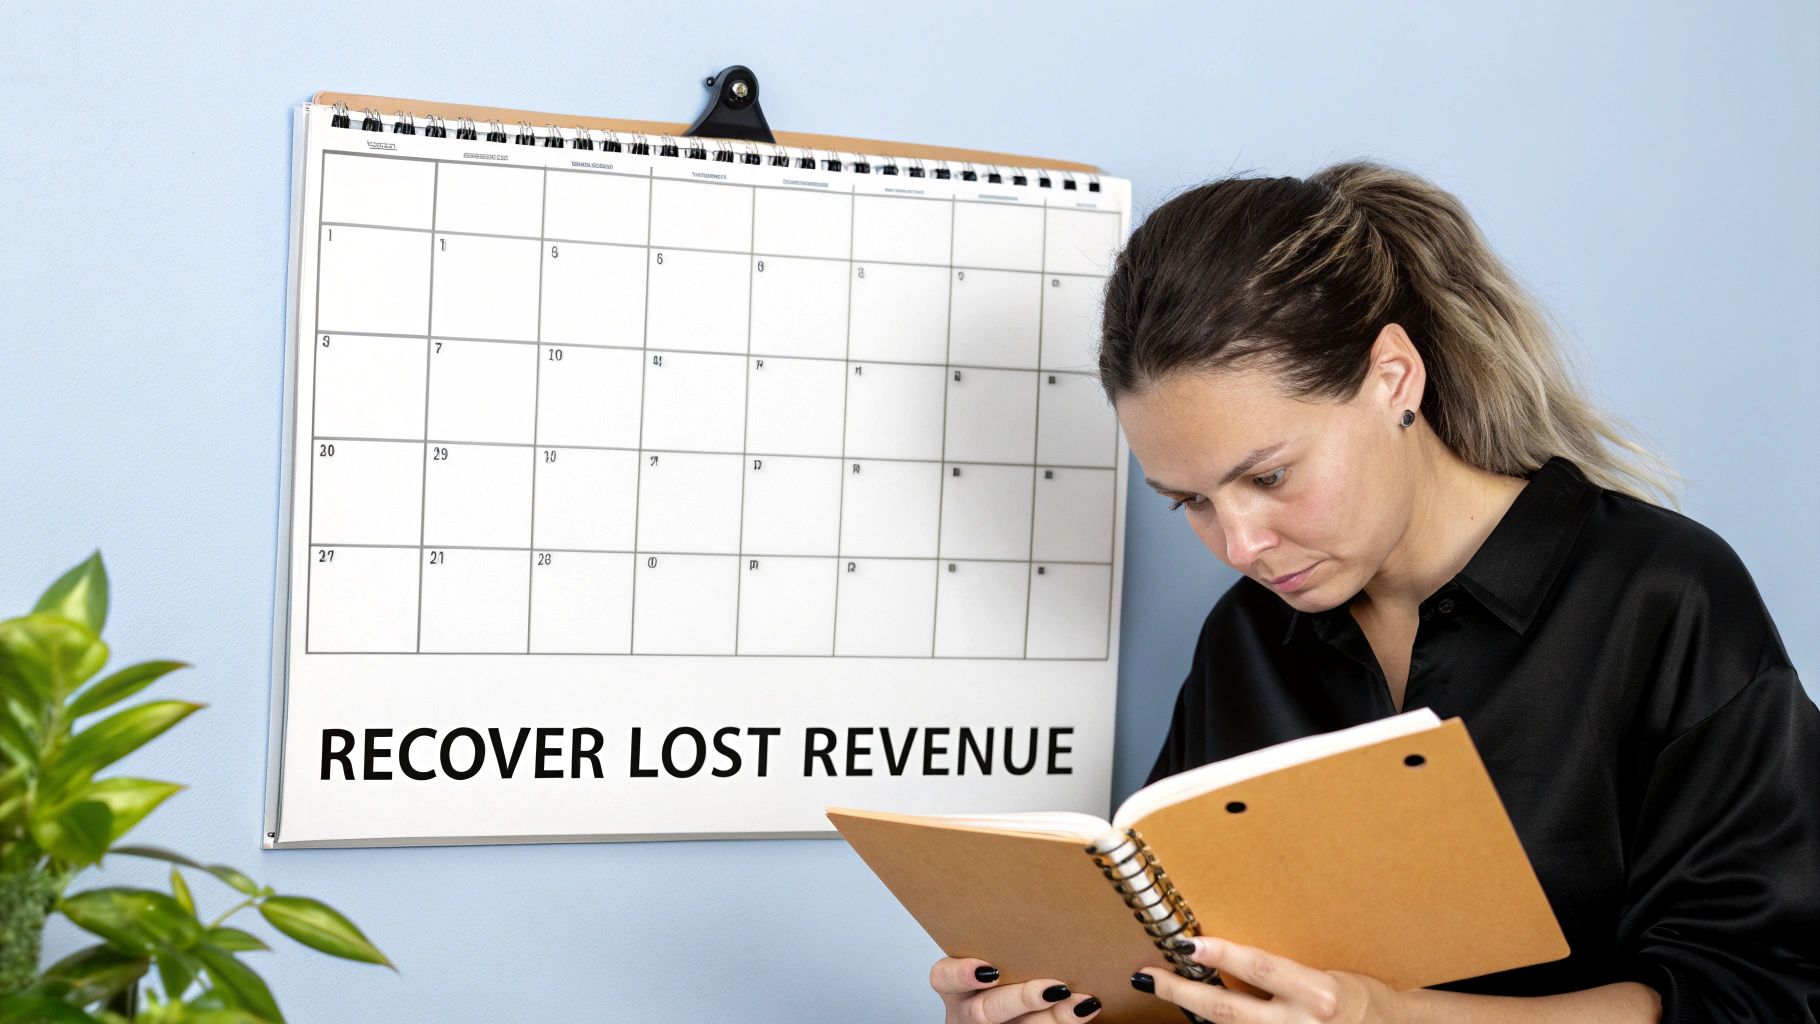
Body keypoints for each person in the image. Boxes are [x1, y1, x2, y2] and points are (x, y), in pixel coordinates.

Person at [930, 160, 1819, 1023]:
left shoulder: (1661, 598)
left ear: (1394, 376)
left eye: (1270, 476)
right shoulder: (1247, 636)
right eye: (1191, 502)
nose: (1239, 546)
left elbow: (1760, 994)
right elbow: (1194, 980)